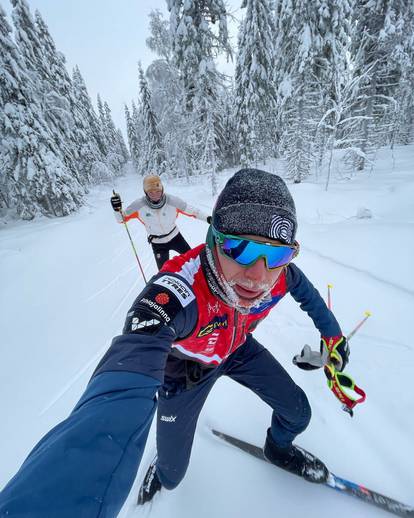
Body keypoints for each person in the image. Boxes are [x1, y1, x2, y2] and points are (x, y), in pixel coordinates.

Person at [0, 169, 349, 518]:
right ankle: (163, 470)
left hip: (237, 350)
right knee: (172, 474)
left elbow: (309, 296)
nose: (258, 276)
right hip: (185, 374)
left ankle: (278, 448)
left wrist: (333, 337)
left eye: (274, 255)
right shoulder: (175, 293)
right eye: (240, 248)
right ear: (214, 239)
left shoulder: (280, 275)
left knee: (298, 412)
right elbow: (122, 383)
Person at [111, 174, 211, 269]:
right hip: (158, 243)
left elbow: (193, 211)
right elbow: (122, 219)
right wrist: (116, 210)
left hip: (175, 237)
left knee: (192, 260)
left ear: (162, 189)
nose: (155, 195)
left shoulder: (172, 201)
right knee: (163, 272)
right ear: (146, 192)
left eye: (157, 191)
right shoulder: (139, 205)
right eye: (151, 192)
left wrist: (208, 218)